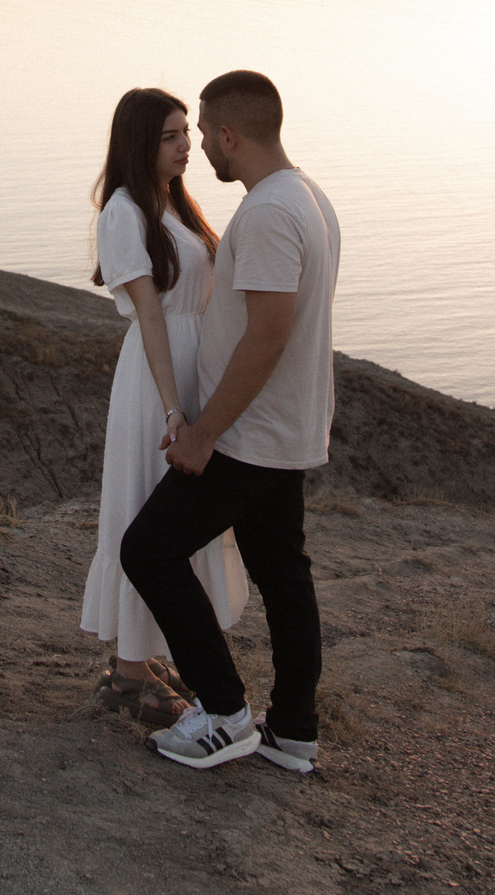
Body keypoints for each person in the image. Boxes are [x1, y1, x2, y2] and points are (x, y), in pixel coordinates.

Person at [120, 69, 341, 773]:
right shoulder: (308, 195)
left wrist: (205, 431)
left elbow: (267, 334)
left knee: (148, 550)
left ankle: (223, 713)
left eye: (204, 133)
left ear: (228, 135)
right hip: (284, 429)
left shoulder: (270, 212)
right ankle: (294, 732)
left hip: (249, 434)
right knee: (283, 576)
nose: (200, 149)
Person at [78, 87, 250, 726]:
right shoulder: (124, 212)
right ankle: (129, 672)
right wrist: (174, 408)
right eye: (171, 136)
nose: (187, 146)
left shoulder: (173, 203)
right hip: (157, 380)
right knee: (145, 508)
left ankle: (148, 654)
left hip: (191, 366)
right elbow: (150, 314)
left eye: (186, 133)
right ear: (140, 142)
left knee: (176, 520)